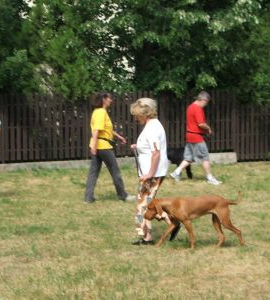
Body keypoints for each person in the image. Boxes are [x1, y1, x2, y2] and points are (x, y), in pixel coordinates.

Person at [130, 97, 170, 245]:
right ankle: (169, 221)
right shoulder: (153, 125)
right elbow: (151, 147)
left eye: (137, 115)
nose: (136, 117)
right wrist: (138, 146)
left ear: (145, 114)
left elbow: (156, 153)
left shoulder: (152, 128)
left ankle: (148, 237)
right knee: (146, 204)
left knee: (141, 207)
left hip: (152, 174)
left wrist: (150, 174)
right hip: (153, 172)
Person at [84, 92, 135, 203]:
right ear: (104, 99)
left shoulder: (96, 112)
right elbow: (96, 130)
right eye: (109, 98)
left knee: (93, 173)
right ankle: (123, 195)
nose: (111, 100)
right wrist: (94, 146)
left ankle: (88, 198)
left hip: (97, 145)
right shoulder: (101, 112)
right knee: (115, 171)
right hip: (103, 147)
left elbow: (106, 129)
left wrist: (119, 137)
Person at [170, 91, 222, 185]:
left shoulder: (190, 107)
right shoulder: (197, 108)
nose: (206, 105)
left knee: (188, 158)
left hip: (189, 135)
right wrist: (208, 128)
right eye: (206, 102)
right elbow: (201, 123)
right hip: (197, 137)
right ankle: (210, 178)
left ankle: (176, 172)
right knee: (205, 158)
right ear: (203, 100)